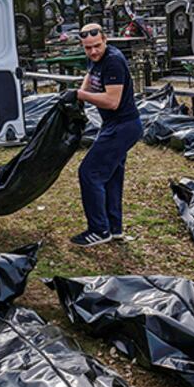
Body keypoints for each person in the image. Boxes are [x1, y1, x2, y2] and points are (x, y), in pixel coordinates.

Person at [72, 23, 141, 247]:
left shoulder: (113, 61)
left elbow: (112, 101)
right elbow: (90, 78)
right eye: (88, 48)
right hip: (113, 125)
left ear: (105, 40)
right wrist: (80, 96)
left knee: (89, 173)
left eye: (97, 46)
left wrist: (80, 95)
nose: (93, 52)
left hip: (123, 126)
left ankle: (98, 230)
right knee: (110, 176)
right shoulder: (95, 59)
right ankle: (114, 228)